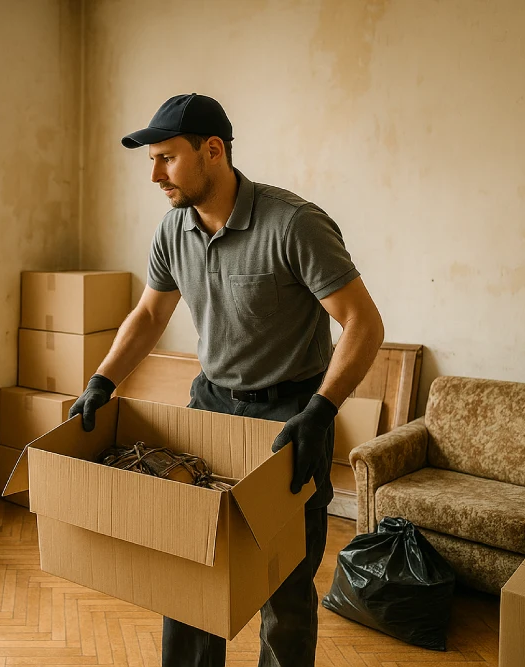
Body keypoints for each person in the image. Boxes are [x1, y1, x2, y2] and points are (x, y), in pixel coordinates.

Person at [69, 93, 385, 667]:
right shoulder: (173, 230)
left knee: (283, 584)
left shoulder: (294, 224)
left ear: (212, 150)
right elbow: (150, 315)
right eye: (151, 161)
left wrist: (321, 411)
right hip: (211, 406)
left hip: (290, 418)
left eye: (166, 158)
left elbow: (363, 323)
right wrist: (102, 381)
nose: (155, 175)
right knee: (191, 567)